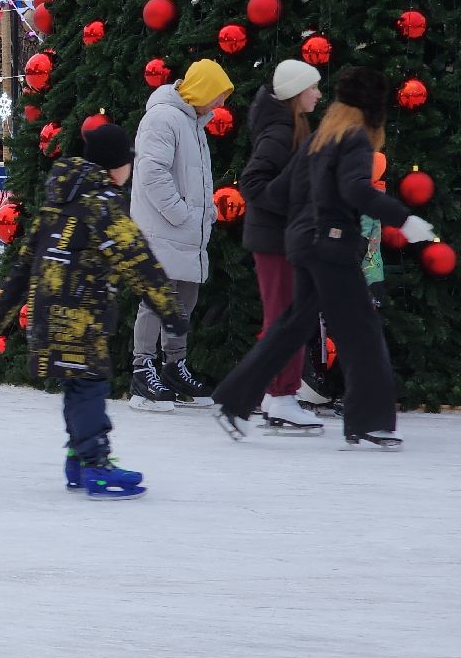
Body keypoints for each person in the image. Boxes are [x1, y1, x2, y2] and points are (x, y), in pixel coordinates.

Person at [212, 66, 433, 448]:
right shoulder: (354, 138)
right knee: (361, 329)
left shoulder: (320, 137)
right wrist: (404, 219)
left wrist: (300, 224)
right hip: (331, 246)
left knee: (292, 325)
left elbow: (280, 191)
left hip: (304, 245)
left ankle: (232, 402)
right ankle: (370, 421)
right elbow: (356, 189)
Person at [0, 124, 186, 498]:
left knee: (77, 386)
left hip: (47, 315)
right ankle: (96, 465)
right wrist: (170, 311)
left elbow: (25, 261)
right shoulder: (102, 202)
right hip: (80, 318)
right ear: (117, 166)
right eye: (128, 162)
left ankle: (78, 458)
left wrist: (0, 311)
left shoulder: (58, 199)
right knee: (90, 385)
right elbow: (138, 260)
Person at [128, 57, 234, 412]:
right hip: (163, 227)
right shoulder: (163, 118)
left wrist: (205, 214)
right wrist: (181, 213)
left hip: (186, 230)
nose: (221, 103)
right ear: (202, 90)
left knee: (184, 299)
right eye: (218, 94)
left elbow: (195, 178)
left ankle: (174, 367)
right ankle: (142, 370)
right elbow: (151, 172)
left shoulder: (193, 124)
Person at [238, 59, 324, 432]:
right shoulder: (279, 132)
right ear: (295, 93)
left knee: (288, 315)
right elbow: (252, 183)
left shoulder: (293, 126)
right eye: (312, 88)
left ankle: (278, 394)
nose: (318, 94)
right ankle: (280, 395)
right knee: (285, 317)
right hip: (276, 240)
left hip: (284, 238)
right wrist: (295, 206)